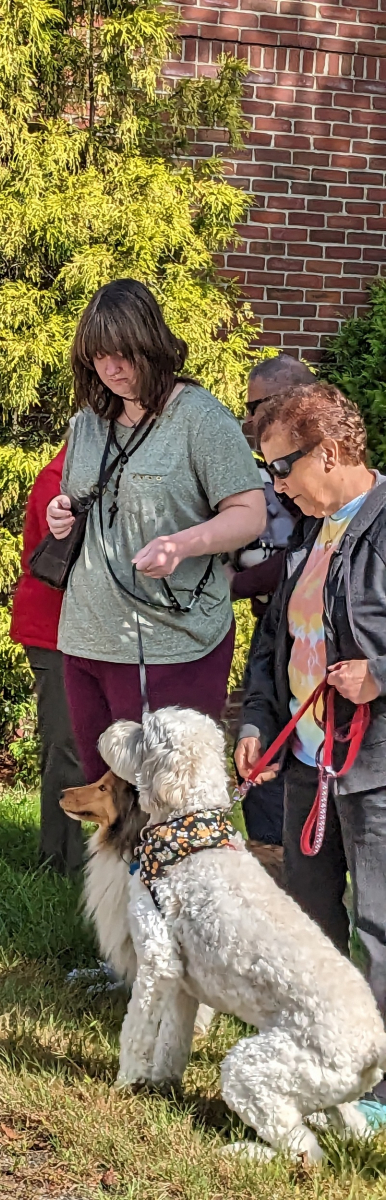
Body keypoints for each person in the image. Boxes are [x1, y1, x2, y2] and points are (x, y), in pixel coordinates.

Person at [47, 279, 265, 783]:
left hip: (172, 642)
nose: (111, 369)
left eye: (123, 354)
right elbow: (83, 500)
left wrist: (181, 543)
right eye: (99, 356)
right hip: (86, 637)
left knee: (168, 798)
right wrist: (64, 514)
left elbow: (249, 512)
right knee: (109, 803)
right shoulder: (87, 421)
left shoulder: (200, 419)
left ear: (152, 344)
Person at [236, 381, 386, 1110]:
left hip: (376, 772)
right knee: (311, 927)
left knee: (381, 930)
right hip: (305, 766)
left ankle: (379, 1090)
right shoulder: (307, 531)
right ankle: (323, 1063)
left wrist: (381, 675)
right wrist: (257, 721)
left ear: (328, 452)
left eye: (281, 467)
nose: (275, 486)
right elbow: (273, 644)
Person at [226, 354, 316, 864]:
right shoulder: (254, 478)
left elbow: (301, 558)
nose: (251, 419)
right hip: (275, 636)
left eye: (259, 406)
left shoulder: (332, 480)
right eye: (249, 408)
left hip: (333, 660)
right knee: (260, 759)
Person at [10, 444, 84, 876]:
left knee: (73, 746)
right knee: (67, 745)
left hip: (78, 634)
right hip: (55, 634)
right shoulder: (56, 483)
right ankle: (59, 863)